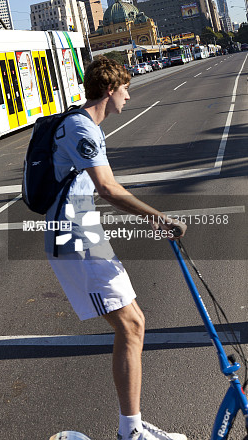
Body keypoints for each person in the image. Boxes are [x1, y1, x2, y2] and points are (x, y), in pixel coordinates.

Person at [46, 57, 187, 440]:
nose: (129, 94)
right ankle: (131, 432)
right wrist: (158, 217)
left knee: (134, 323)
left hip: (81, 231)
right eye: (125, 87)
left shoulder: (80, 124)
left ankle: (133, 427)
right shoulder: (82, 128)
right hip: (73, 235)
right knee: (131, 324)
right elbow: (107, 188)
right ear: (109, 89)